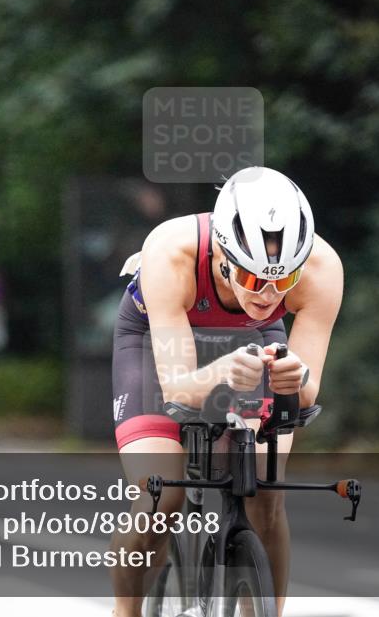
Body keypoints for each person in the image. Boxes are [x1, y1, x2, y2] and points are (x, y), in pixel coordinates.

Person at [109, 166, 344, 617]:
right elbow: (177, 388)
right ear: (222, 255)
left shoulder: (321, 268)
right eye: (254, 280)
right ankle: (126, 611)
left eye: (284, 282)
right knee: (161, 499)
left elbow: (307, 392)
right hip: (155, 342)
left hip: (251, 340)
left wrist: (294, 378)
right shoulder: (172, 252)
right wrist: (220, 372)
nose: (269, 295)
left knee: (266, 493)